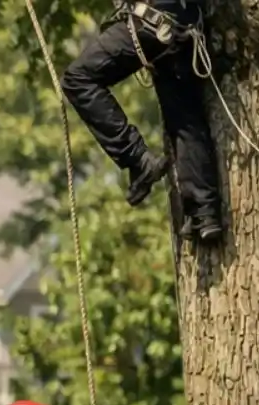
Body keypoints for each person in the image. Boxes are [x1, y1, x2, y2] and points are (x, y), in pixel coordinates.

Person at [59, 0, 225, 242]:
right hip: (185, 24)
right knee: (184, 119)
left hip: (154, 21)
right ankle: (204, 211)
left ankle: (136, 157)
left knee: (78, 79)